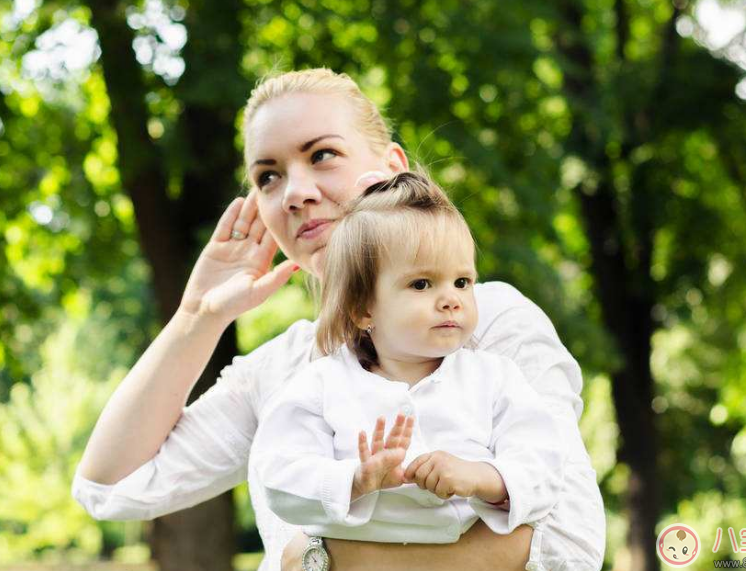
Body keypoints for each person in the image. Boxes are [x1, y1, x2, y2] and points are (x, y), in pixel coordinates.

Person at [72, 68, 606, 571]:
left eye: (322, 154)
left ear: (394, 171)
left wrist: (316, 559)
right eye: (268, 177)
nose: (296, 193)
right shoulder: (280, 371)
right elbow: (111, 487)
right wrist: (195, 319)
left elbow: (569, 539)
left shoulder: (484, 322)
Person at [252, 172, 565, 550]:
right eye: (421, 284)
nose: (451, 298)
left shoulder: (493, 378)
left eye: (462, 282)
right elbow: (279, 478)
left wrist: (482, 477)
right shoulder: (322, 384)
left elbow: (544, 466)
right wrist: (355, 480)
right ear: (363, 308)